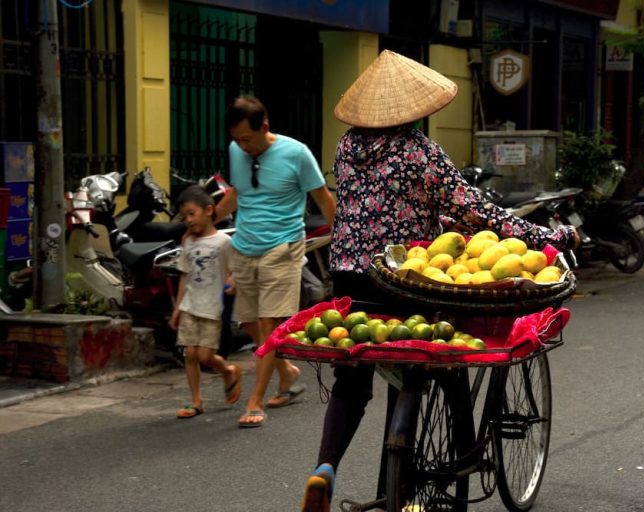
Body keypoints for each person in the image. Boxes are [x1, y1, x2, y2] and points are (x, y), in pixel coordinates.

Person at [300, 50, 580, 512]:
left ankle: (324, 468)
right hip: (406, 277)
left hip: (349, 275)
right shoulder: (419, 151)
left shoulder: (347, 146)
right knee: (433, 357)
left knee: (354, 378)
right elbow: (478, 210)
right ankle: (413, 485)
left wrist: (440, 218)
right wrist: (544, 235)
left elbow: (390, 205)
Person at [214, 96, 336, 428]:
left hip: (282, 246)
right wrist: (207, 220)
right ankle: (289, 373)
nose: (242, 146)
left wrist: (343, 243)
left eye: (248, 139)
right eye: (237, 139)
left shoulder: (297, 154)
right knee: (250, 324)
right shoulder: (236, 150)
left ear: (264, 128)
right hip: (244, 245)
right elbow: (238, 192)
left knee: (269, 325)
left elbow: (322, 197)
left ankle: (255, 401)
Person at [170, 185, 242, 419]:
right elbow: (184, 275)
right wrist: (177, 308)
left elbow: (234, 270)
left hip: (212, 307)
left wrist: (232, 282)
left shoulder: (223, 242)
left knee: (204, 356)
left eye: (192, 214)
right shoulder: (188, 242)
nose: (188, 220)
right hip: (191, 305)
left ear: (209, 210)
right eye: (184, 217)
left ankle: (228, 370)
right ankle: (196, 401)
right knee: (189, 354)